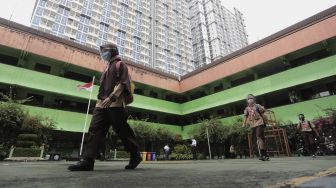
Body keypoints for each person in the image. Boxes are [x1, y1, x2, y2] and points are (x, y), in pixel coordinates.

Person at [68, 43, 141, 171]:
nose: (102, 54)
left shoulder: (120, 64)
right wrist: (100, 101)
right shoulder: (106, 67)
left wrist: (112, 97)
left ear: (112, 51)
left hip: (115, 103)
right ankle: (88, 160)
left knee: (122, 130)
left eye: (105, 51)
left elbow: (123, 83)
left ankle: (135, 154)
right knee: (95, 129)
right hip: (101, 104)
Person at [243, 94, 269, 161]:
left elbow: (263, 114)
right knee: (259, 139)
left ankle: (263, 155)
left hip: (259, 123)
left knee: (258, 137)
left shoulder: (258, 106)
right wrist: (244, 124)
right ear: (247, 101)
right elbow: (245, 116)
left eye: (251, 98)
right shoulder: (247, 109)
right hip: (252, 125)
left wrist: (266, 122)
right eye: (248, 99)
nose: (249, 99)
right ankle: (265, 154)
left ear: (254, 99)